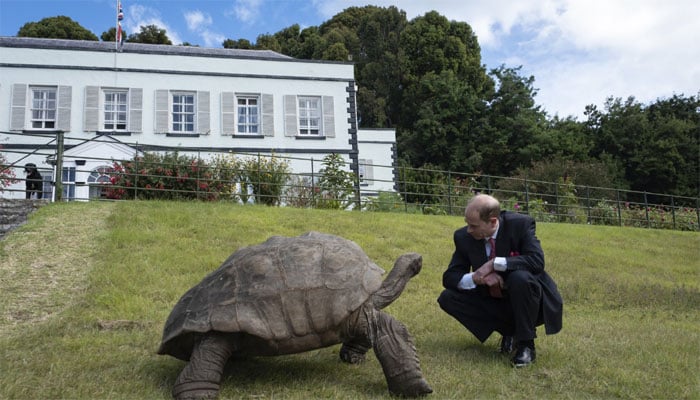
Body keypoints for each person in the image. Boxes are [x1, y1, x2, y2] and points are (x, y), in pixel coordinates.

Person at [437, 194, 563, 367]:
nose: (468, 230)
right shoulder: (464, 237)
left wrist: (494, 264)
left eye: (473, 225)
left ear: (493, 222)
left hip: (530, 300)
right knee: (447, 298)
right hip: (492, 298)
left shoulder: (520, 225)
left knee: (520, 278)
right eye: (467, 223)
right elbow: (449, 278)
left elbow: (537, 261)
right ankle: (508, 331)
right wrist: (477, 278)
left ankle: (526, 344)